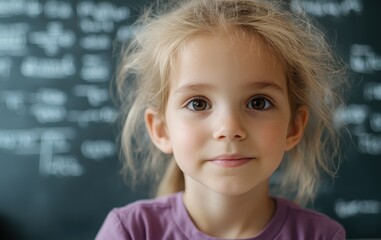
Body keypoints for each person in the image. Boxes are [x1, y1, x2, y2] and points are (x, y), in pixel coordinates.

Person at [96, 0, 347, 239]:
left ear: (293, 127)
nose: (229, 129)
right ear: (161, 130)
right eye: (198, 104)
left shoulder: (322, 235)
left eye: (258, 102)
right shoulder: (129, 232)